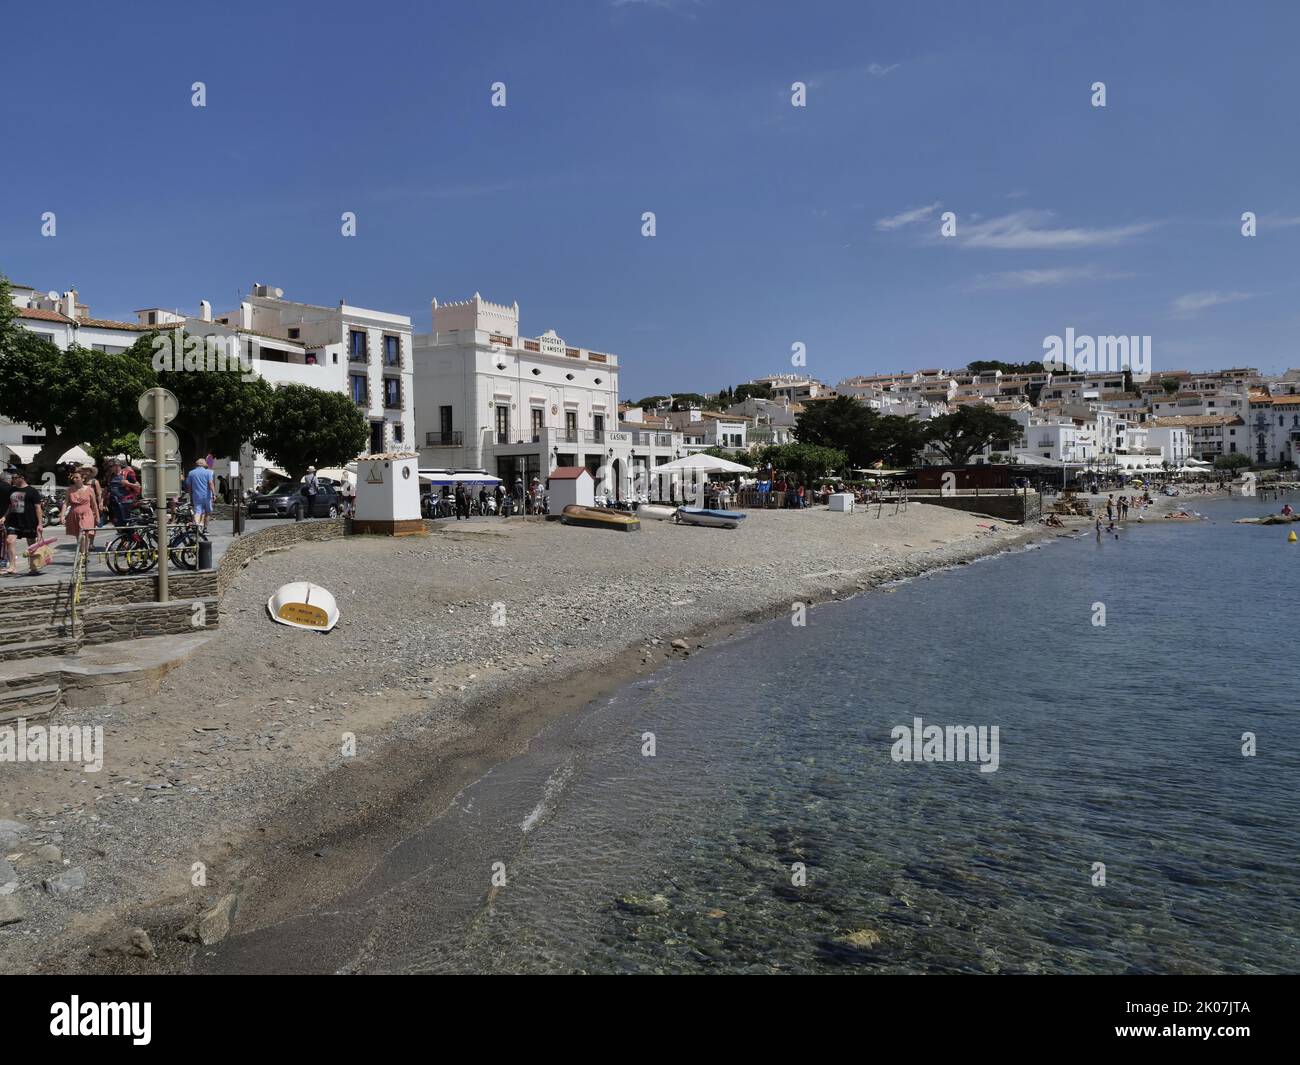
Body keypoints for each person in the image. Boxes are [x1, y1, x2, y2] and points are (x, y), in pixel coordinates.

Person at [3, 471, 45, 576]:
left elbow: (38, 507)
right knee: (9, 540)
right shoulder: (12, 490)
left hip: (29, 521)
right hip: (14, 520)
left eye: (14, 477)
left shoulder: (32, 491)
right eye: (12, 478)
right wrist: (4, 516)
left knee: (31, 544)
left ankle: (33, 566)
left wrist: (40, 523)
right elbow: (10, 505)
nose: (12, 480)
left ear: (22, 477)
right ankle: (12, 566)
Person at [63, 470, 99, 555]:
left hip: (87, 513)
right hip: (74, 514)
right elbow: (65, 504)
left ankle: (83, 554)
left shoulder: (90, 490)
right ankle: (83, 553)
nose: (75, 479)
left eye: (77, 477)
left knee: (84, 534)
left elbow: (94, 504)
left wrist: (97, 516)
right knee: (78, 536)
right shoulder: (70, 490)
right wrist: (62, 516)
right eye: (74, 478)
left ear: (82, 479)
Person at [184, 459, 215, 530]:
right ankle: (205, 529)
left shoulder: (191, 473)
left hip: (196, 496)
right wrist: (214, 494)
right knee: (207, 512)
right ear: (204, 465)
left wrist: (191, 496)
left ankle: (197, 528)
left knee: (198, 512)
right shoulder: (208, 472)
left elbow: (189, 486)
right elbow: (210, 483)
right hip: (207, 496)